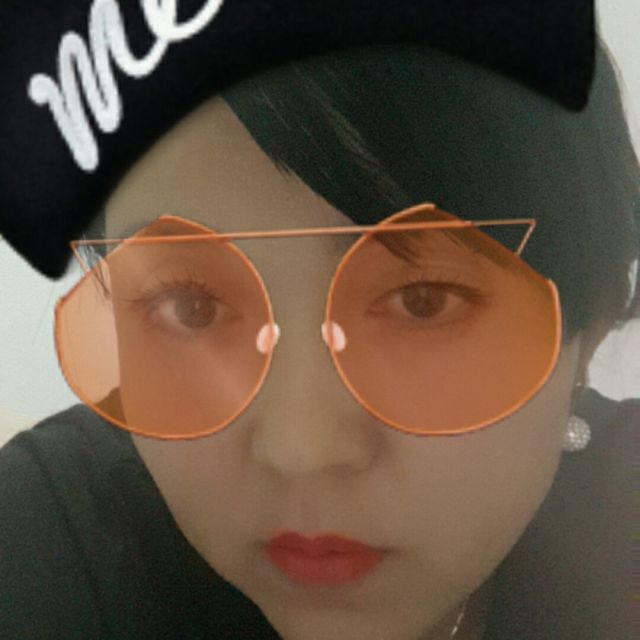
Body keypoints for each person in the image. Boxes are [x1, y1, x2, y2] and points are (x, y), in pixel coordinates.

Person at [1, 9, 638, 640]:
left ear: (589, 325)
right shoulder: (59, 534)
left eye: (422, 300)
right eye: (191, 307)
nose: (300, 450)